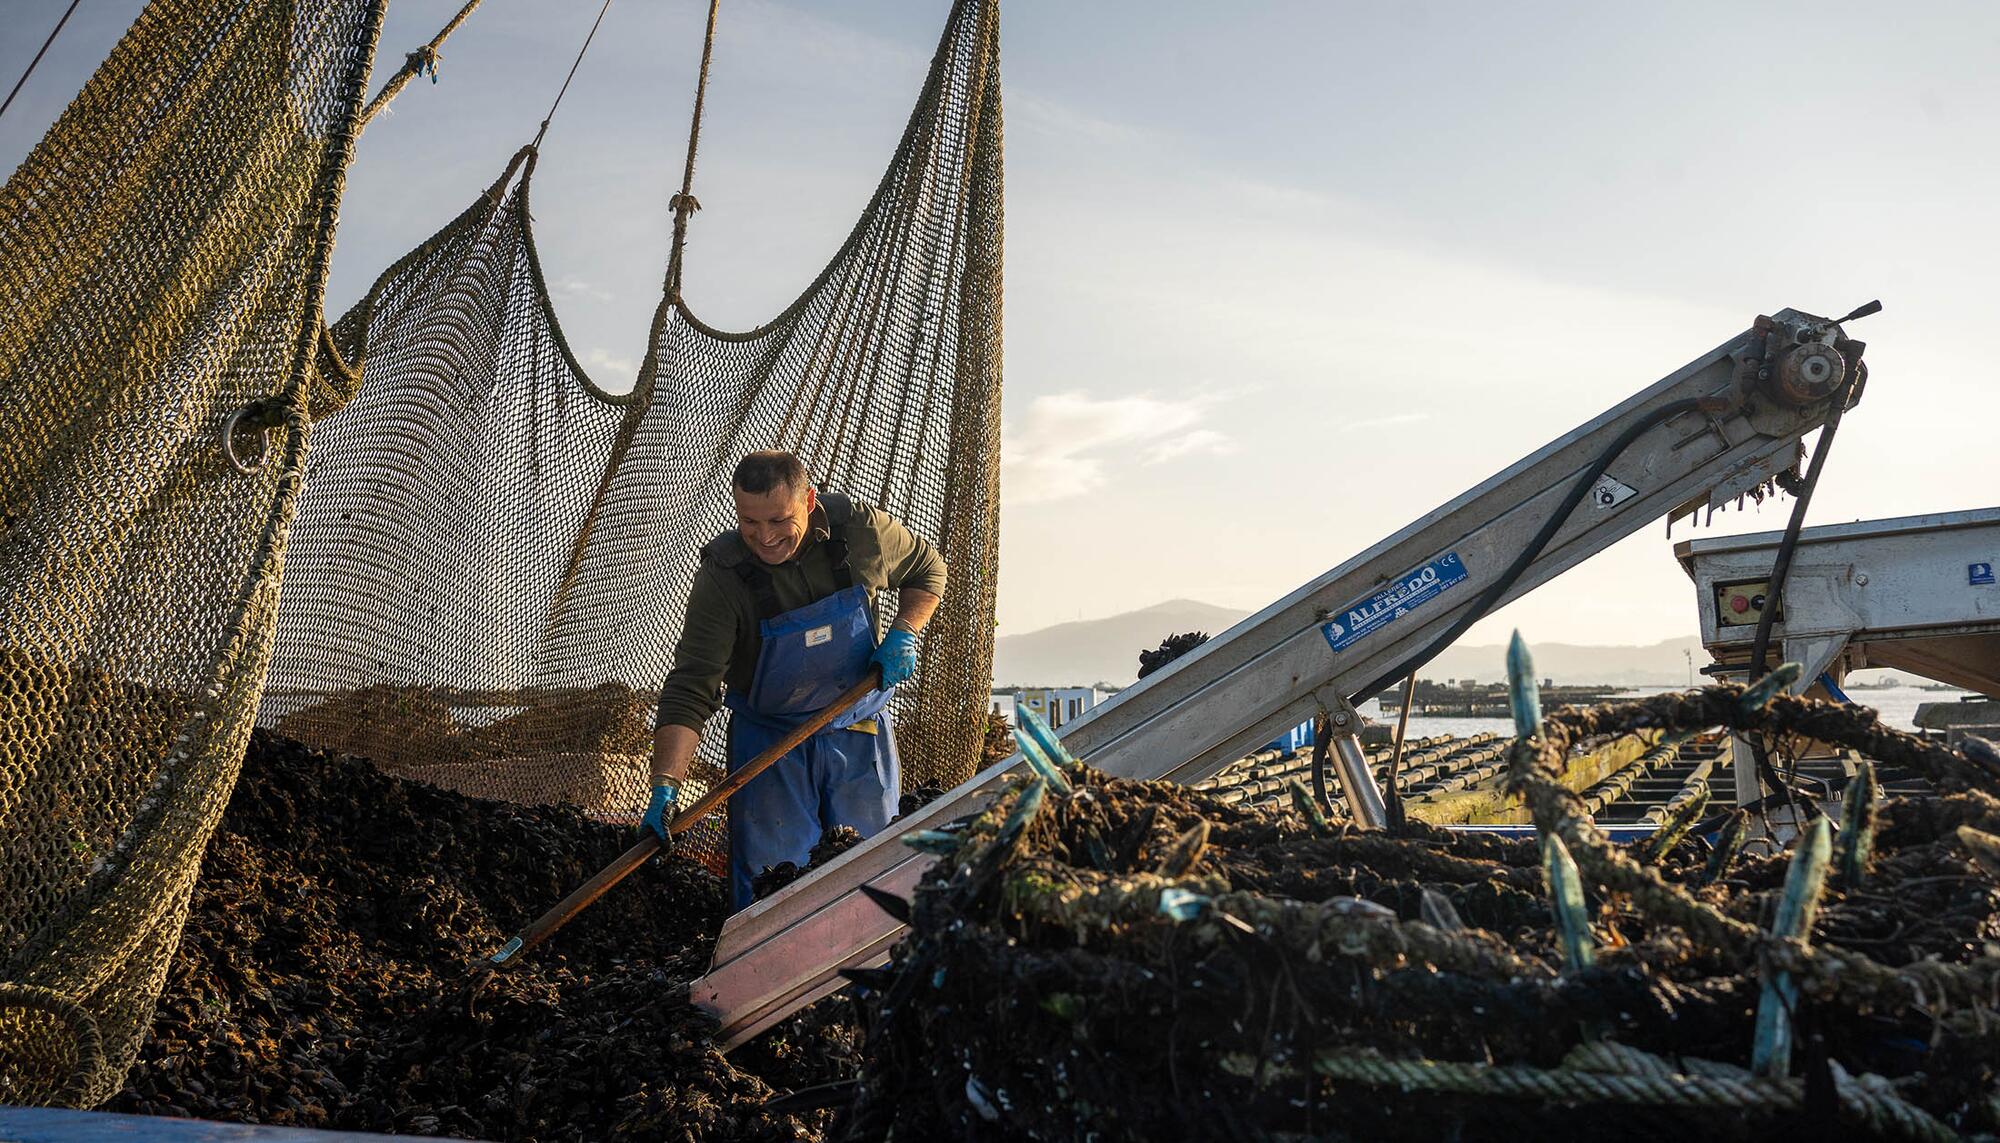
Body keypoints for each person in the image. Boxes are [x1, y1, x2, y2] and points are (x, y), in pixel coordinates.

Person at [646, 450, 946, 909]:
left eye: (778, 520)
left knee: (875, 873)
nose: (764, 537)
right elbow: (692, 687)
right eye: (749, 522)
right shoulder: (724, 576)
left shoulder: (860, 532)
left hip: (857, 729)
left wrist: (904, 633)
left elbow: (928, 569)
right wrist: (666, 783)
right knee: (774, 889)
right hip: (770, 745)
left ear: (808, 501)